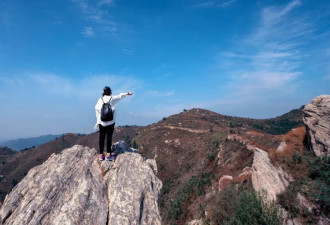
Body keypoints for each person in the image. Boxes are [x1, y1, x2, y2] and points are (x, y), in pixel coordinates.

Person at [94, 86, 133, 161]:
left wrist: (99, 121)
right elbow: (120, 96)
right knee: (109, 137)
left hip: (102, 122)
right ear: (110, 92)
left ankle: (101, 155)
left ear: (103, 92)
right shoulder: (112, 98)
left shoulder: (100, 100)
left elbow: (96, 109)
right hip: (111, 122)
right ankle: (108, 155)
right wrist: (128, 93)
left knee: (101, 138)